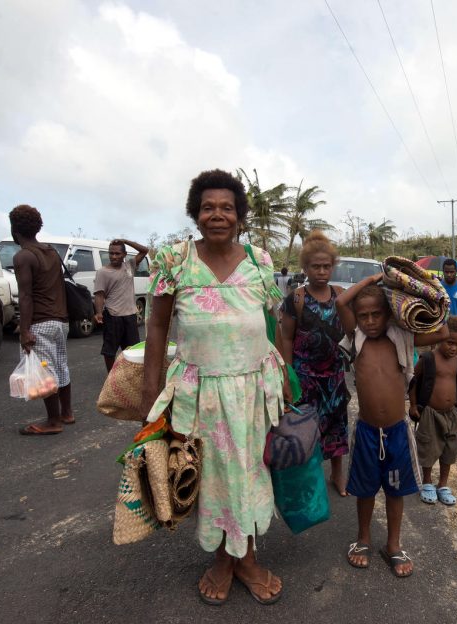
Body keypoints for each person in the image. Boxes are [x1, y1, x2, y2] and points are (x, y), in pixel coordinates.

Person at [140, 169, 286, 606]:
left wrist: (287, 380)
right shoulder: (173, 260)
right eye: (208, 207)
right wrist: (150, 394)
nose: (217, 215)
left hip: (255, 389)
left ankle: (248, 557)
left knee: (252, 473)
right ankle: (224, 560)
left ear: (240, 215)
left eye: (227, 207)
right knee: (210, 476)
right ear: (195, 213)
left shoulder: (261, 260)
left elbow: (272, 322)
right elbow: (157, 327)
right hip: (198, 392)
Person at [336, 274, 448, 578]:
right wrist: (374, 279)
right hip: (368, 432)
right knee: (365, 489)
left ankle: (394, 545)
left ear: (389, 314)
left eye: (377, 314)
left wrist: (418, 297)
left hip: (397, 432)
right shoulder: (356, 338)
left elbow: (442, 331)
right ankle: (363, 540)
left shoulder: (403, 338)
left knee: (396, 491)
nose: (370, 321)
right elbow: (341, 301)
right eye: (364, 316)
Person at [277, 231, 350, 496]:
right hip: (305, 376)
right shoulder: (296, 299)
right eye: (315, 266)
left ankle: (338, 475)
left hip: (334, 376)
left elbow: (352, 332)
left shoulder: (341, 296)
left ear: (333, 266)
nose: (321, 271)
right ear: (305, 268)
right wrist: (287, 374)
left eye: (326, 266)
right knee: (306, 428)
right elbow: (285, 337)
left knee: (337, 424)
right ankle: (311, 479)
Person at [10, 205, 74, 435]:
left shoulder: (23, 256)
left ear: (14, 229)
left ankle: (53, 421)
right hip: (60, 320)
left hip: (41, 322)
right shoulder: (51, 252)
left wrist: (24, 330)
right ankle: (67, 412)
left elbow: (26, 295)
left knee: (45, 372)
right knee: (60, 366)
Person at [409, 315, 457, 506]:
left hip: (451, 413)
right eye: (450, 342)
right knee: (428, 447)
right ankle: (427, 482)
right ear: (439, 337)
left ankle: (443, 485)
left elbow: (456, 382)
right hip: (430, 413)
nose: (454, 348)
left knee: (449, 448)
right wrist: (413, 405)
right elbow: (413, 380)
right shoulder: (428, 359)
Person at [93, 239, 149, 371]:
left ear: (124, 255)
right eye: (111, 253)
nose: (113, 256)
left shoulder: (129, 265)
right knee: (109, 351)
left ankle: (132, 376)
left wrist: (125, 241)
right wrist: (99, 313)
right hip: (113, 316)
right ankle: (111, 378)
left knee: (133, 351)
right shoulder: (102, 272)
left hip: (130, 316)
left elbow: (144, 250)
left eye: (117, 254)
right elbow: (99, 295)